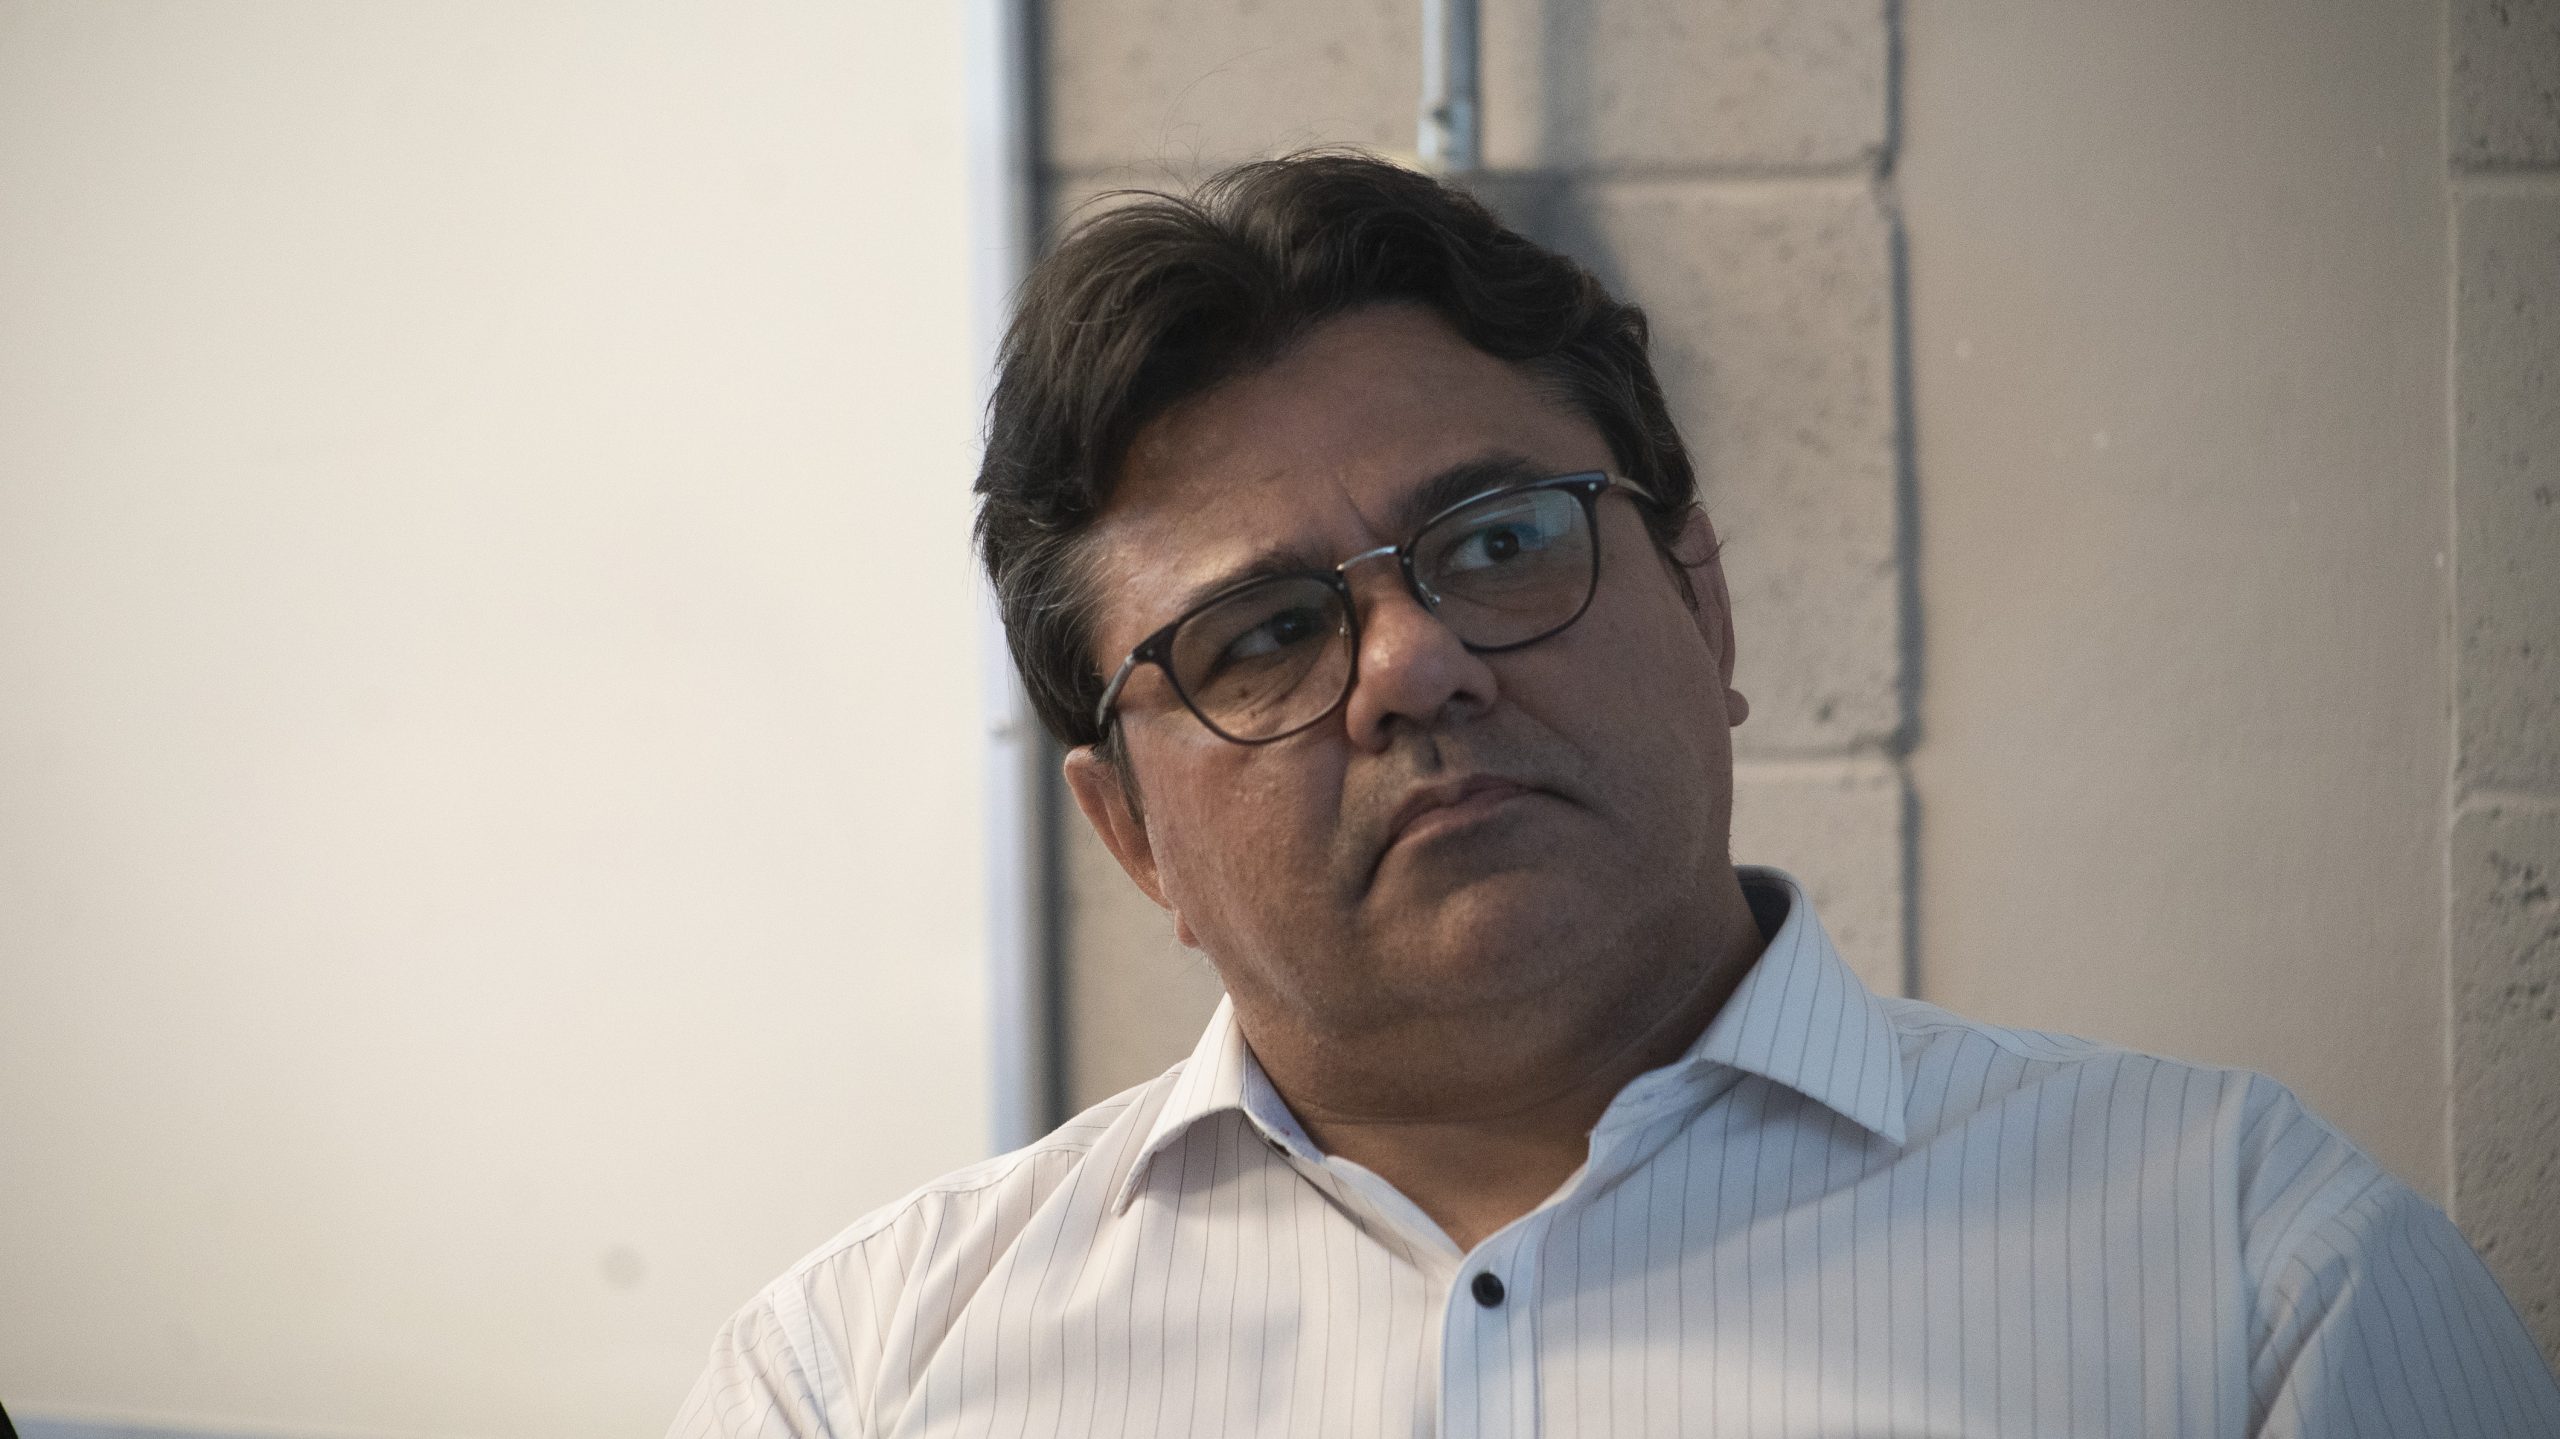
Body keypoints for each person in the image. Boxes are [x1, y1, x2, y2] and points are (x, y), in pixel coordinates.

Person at [670, 152, 2560, 1437]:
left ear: (1703, 602)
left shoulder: (2252, 1272)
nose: (1414, 667)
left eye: (1499, 541)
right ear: (1132, 834)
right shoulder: (862, 1382)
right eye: (1263, 637)